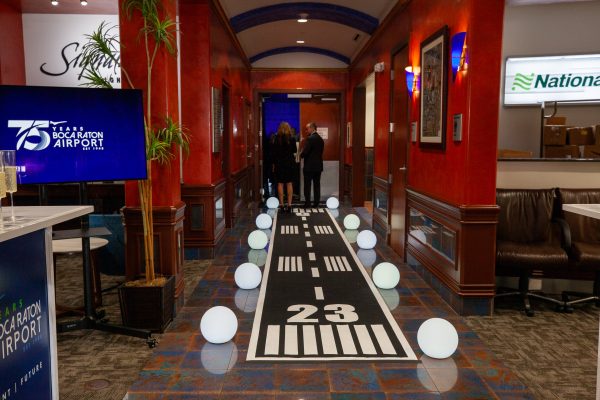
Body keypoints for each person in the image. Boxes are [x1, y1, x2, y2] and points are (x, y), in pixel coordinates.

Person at [271, 121, 297, 212]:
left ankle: (281, 205)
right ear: (288, 128)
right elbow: (294, 151)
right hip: (290, 163)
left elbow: (273, 153)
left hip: (279, 163)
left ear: (279, 128)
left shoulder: (276, 138)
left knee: (280, 184)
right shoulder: (292, 139)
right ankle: (289, 205)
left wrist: (274, 164)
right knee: (289, 183)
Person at [300, 121, 324, 208]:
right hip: (318, 166)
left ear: (312, 128)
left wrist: (301, 155)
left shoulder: (310, 139)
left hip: (309, 167)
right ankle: (316, 203)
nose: (306, 131)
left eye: (307, 129)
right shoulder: (320, 139)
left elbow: (305, 152)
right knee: (317, 185)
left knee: (307, 185)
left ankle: (307, 203)